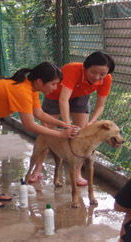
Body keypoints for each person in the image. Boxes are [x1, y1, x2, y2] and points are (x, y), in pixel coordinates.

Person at [0, 62, 78, 208]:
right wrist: (60, 134)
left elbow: (39, 113)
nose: (55, 88)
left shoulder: (31, 88)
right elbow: (30, 125)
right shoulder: (22, 90)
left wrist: (65, 125)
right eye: (53, 84)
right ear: (40, 81)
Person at [29, 51, 115, 186]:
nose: (97, 77)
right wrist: (67, 125)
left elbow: (100, 106)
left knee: (82, 134)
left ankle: (77, 173)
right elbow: (64, 99)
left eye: (102, 74)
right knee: (46, 134)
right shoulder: (73, 69)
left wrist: (91, 123)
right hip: (55, 96)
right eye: (93, 72)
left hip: (81, 97)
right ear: (85, 67)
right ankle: (37, 169)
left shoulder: (107, 79)